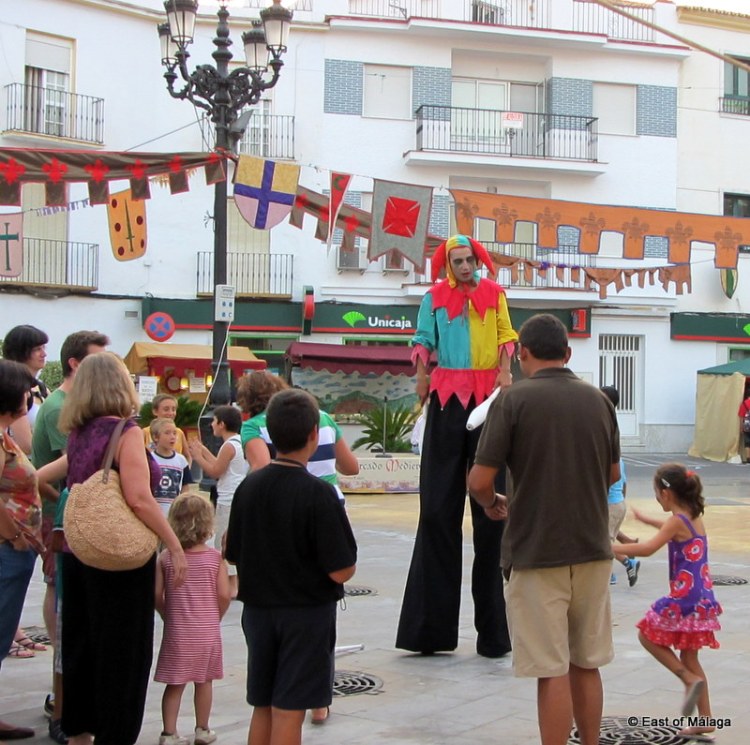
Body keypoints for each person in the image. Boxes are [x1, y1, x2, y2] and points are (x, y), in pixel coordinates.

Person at [468, 313, 620, 745]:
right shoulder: (599, 402)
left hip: (536, 553)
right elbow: (611, 475)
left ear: (521, 354)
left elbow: (479, 481)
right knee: (586, 663)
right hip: (593, 549)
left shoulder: (512, 401)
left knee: (551, 670)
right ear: (568, 354)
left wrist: (494, 503)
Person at [396, 234, 517, 658]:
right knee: (435, 511)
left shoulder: (494, 294)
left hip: (487, 402)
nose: (466, 267)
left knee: (491, 517)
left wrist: (504, 372)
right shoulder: (433, 298)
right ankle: (429, 632)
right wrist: (422, 380)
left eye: (470, 260)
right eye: (458, 261)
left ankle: (495, 637)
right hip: (447, 400)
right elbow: (422, 341)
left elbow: (506, 336)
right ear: (448, 264)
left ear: (478, 260)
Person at [57, 351, 187, 745]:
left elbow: (59, 475)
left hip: (80, 550)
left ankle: (79, 731)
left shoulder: (79, 431)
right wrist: (173, 543)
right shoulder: (126, 431)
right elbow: (139, 497)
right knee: (123, 654)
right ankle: (116, 734)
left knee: (82, 643)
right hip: (119, 555)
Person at [225, 389, 357, 745]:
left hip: (257, 612)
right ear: (315, 434)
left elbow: (232, 552)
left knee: (263, 704)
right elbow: (342, 570)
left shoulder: (248, 488)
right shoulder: (320, 494)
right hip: (305, 615)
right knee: (290, 708)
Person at [31, 330, 109, 742]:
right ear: (79, 364)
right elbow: (72, 470)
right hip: (69, 525)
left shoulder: (69, 410)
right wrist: (61, 503)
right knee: (66, 614)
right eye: (100, 359)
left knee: (65, 609)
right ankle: (65, 703)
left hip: (66, 520)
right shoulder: (67, 410)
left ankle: (67, 702)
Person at [614, 463, 722, 741]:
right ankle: (706, 719)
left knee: (646, 635)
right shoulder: (693, 517)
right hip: (703, 598)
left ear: (666, 494)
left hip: (684, 597)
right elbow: (672, 528)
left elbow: (648, 549)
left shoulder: (677, 522)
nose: (655, 498)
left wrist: (609, 548)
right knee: (690, 657)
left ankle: (686, 678)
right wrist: (649, 521)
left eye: (656, 493)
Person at [155, 493, 231, 745]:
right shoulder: (214, 560)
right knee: (204, 680)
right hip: (207, 630)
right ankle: (203, 728)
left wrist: (167, 614)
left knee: (175, 683)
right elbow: (224, 594)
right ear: (207, 524)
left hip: (177, 631)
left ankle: (169, 732)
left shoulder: (166, 559)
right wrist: (215, 615)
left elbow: (156, 594)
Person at [238, 372, 358, 504]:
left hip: (287, 503)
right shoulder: (323, 418)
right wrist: (324, 462)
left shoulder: (253, 426)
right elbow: (351, 467)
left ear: (247, 398)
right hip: (332, 502)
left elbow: (261, 467)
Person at [0, 359, 41, 742]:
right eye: (27, 391)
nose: (31, 397)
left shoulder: (5, 434)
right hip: (6, 548)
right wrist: (14, 535)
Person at [188, 405, 247, 599]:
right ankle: (234, 583)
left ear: (222, 424)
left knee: (224, 540)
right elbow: (220, 464)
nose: (212, 424)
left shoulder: (229, 445)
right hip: (236, 496)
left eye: (214, 421)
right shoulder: (237, 443)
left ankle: (231, 585)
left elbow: (215, 471)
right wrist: (204, 451)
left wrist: (197, 457)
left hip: (229, 498)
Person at [599, 385, 640, 588]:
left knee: (604, 543)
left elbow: (614, 477)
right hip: (616, 503)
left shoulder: (607, 428)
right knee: (607, 538)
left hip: (610, 503)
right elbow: (622, 481)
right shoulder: (614, 447)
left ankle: (628, 560)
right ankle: (624, 556)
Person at [2, 325, 49, 455]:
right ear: (21, 352)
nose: (44, 354)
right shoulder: (13, 390)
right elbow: (26, 445)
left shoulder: (41, 388)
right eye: (37, 349)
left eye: (44, 347)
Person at [150, 418, 194, 516]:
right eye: (167, 433)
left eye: (174, 433)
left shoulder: (181, 460)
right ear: (156, 437)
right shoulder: (149, 460)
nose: (172, 437)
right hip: (154, 512)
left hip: (174, 513)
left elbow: (185, 487)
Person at [143, 394, 191, 464]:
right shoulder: (145, 432)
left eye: (173, 409)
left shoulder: (179, 432)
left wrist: (185, 470)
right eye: (166, 409)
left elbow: (187, 456)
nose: (171, 413)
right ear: (155, 411)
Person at [737, 389, 750, 463]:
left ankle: (748, 459)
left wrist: (741, 427)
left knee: (747, 442)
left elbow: (741, 416)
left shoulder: (744, 404)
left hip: (747, 426)